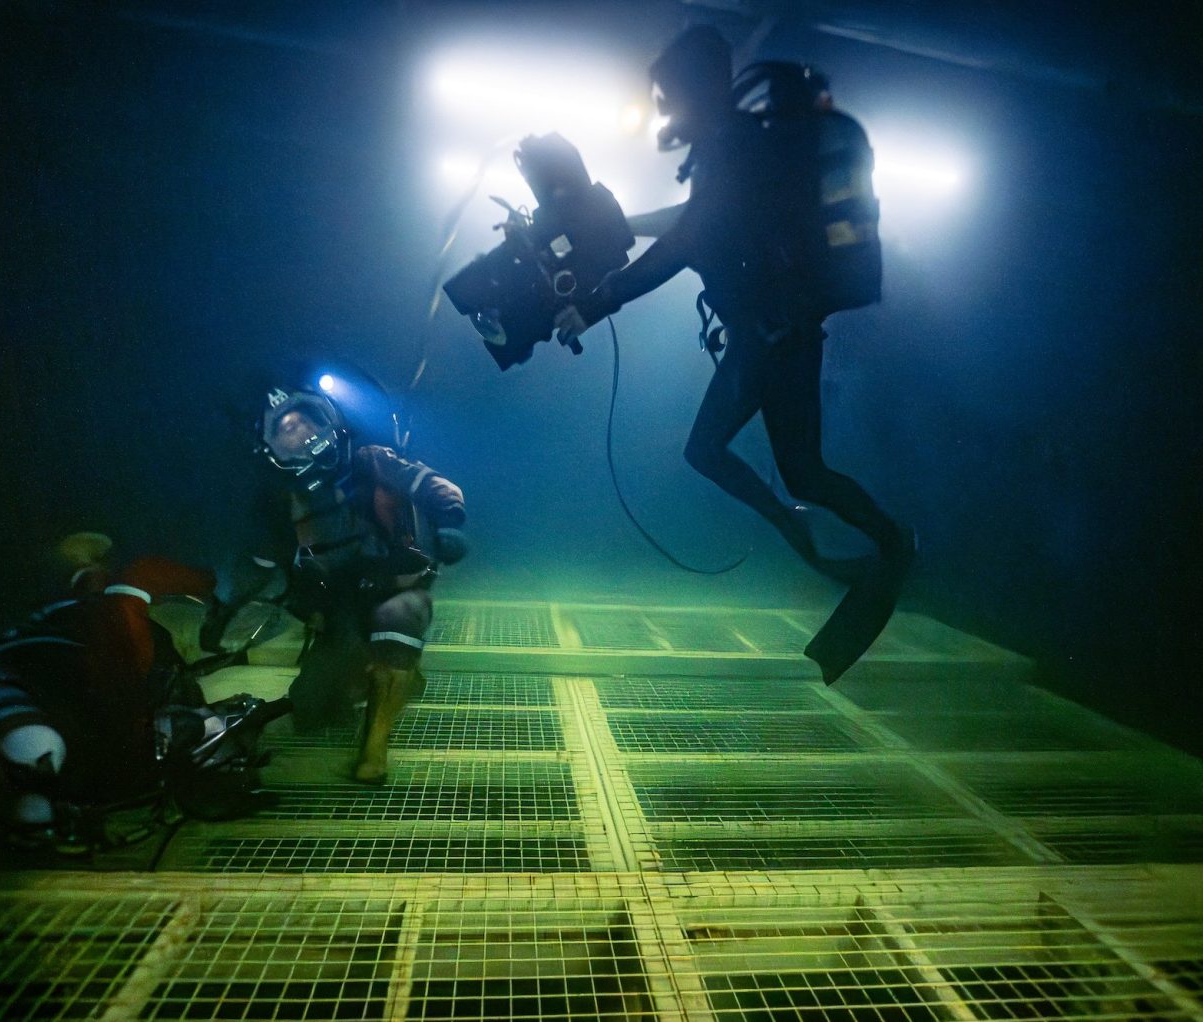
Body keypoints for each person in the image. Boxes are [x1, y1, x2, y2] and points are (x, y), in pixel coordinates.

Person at [555, 26, 914, 683]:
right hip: (779, 331)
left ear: (695, 89)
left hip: (770, 337)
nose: (664, 111)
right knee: (803, 470)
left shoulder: (734, 148)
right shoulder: (741, 147)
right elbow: (700, 220)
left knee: (719, 453)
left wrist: (599, 298)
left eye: (668, 96)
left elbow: (688, 239)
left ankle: (841, 540)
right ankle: (865, 540)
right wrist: (625, 226)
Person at [0, 535, 284, 852]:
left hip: (78, 731)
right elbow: (144, 580)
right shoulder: (113, 607)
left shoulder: (74, 622)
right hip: (91, 730)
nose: (93, 569)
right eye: (84, 563)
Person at [204, 385, 468, 784]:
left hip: (396, 587)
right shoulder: (279, 500)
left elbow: (437, 486)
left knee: (397, 623)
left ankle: (374, 751)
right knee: (314, 708)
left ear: (329, 420)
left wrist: (448, 524)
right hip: (337, 607)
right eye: (287, 429)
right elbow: (258, 568)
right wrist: (226, 612)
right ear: (270, 446)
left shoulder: (371, 461)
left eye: (308, 419)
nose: (303, 432)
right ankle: (392, 677)